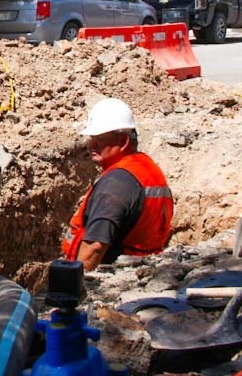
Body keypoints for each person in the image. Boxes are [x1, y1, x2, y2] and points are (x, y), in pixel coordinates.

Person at [62, 98, 173, 271]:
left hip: (113, 273)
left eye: (100, 138)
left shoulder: (117, 184)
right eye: (92, 137)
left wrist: (75, 282)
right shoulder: (146, 169)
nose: (92, 144)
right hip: (141, 269)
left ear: (123, 141)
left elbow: (95, 247)